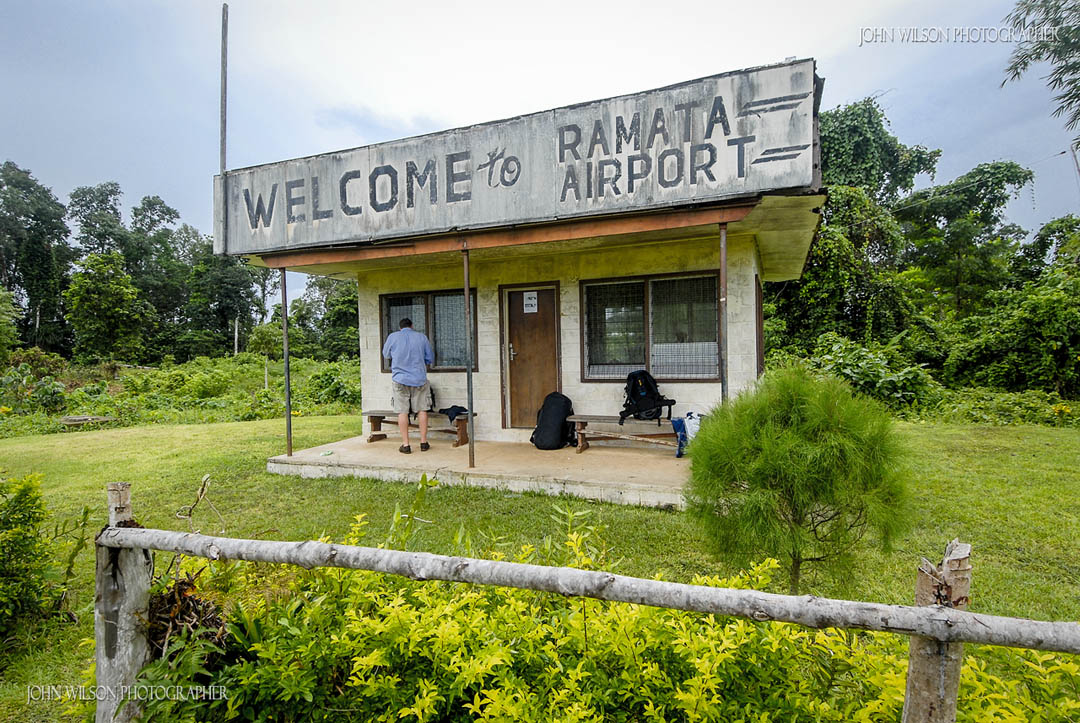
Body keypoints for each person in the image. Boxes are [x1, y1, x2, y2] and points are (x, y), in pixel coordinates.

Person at [381, 317, 434, 453]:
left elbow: (386, 355)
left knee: (402, 411)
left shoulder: (393, 337)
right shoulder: (421, 337)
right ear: (412, 326)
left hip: (400, 379)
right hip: (419, 379)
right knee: (422, 409)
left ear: (400, 327)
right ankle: (423, 443)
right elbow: (430, 358)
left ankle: (406, 445)